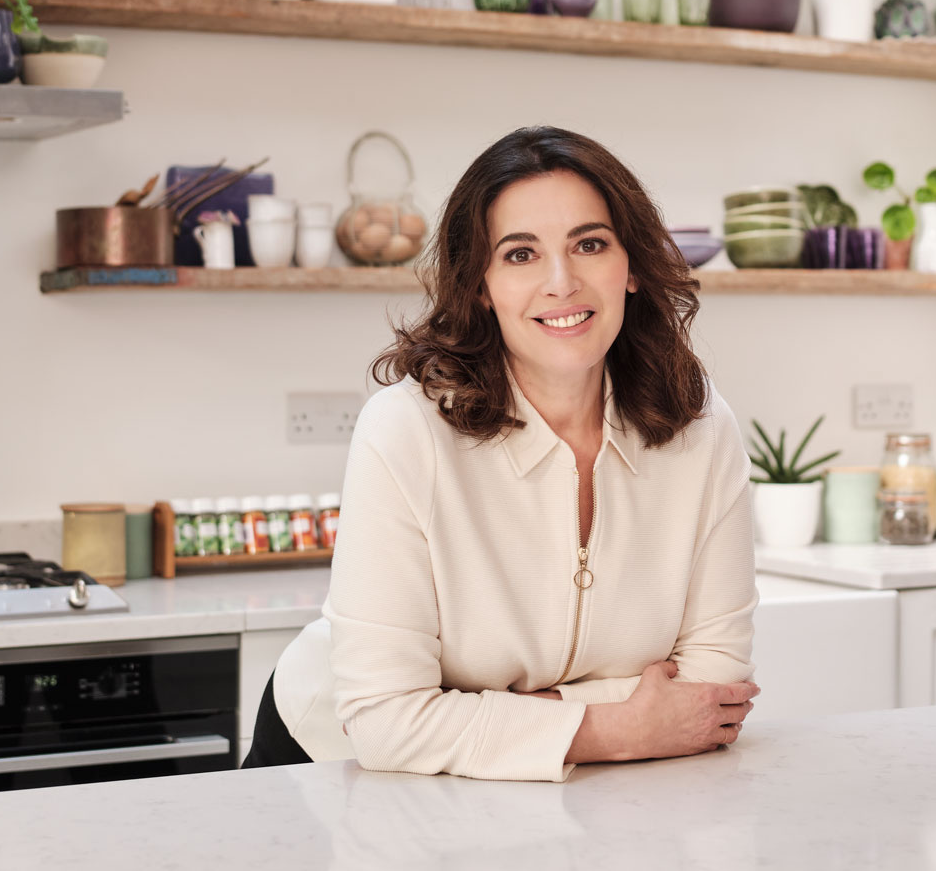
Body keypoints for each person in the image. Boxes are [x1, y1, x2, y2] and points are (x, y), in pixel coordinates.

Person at [243, 126, 760, 781]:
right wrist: (618, 723)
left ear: (630, 265)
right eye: (520, 254)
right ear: (480, 284)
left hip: (568, 780)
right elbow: (383, 722)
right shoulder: (405, 430)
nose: (561, 282)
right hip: (331, 768)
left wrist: (498, 717)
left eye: (590, 244)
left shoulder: (700, 426)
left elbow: (713, 693)